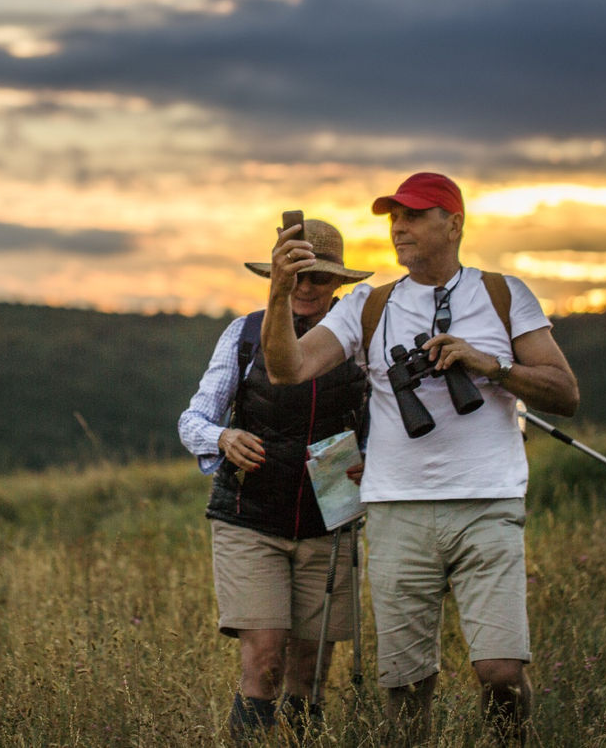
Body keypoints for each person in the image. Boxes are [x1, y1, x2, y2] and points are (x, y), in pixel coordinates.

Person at [260, 172, 579, 746]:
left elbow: (565, 392)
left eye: (412, 215)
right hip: (396, 509)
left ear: (453, 223)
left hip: (488, 503)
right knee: (406, 685)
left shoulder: (505, 294)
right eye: (392, 218)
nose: (398, 228)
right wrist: (278, 292)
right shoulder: (368, 305)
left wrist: (489, 366)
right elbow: (288, 369)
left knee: (501, 674)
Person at [178, 218, 374, 744]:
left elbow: (385, 423)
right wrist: (222, 439)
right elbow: (192, 420)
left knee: (309, 673)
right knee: (264, 660)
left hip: (331, 514)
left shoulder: (361, 340)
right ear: (277, 277)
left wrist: (371, 461)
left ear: (339, 286)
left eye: (321, 280)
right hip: (250, 515)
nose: (307, 289)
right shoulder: (243, 333)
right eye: (297, 276)